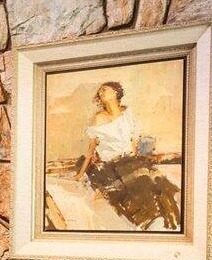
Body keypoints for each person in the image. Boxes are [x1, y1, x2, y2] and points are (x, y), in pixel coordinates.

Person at [75, 81, 182, 230]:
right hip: (111, 163)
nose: (100, 92)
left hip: (130, 159)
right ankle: (148, 219)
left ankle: (170, 218)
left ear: (116, 92)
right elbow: (91, 149)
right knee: (135, 184)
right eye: (100, 91)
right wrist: (80, 174)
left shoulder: (127, 114)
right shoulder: (99, 118)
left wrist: (138, 159)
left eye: (104, 89)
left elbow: (133, 142)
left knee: (156, 180)